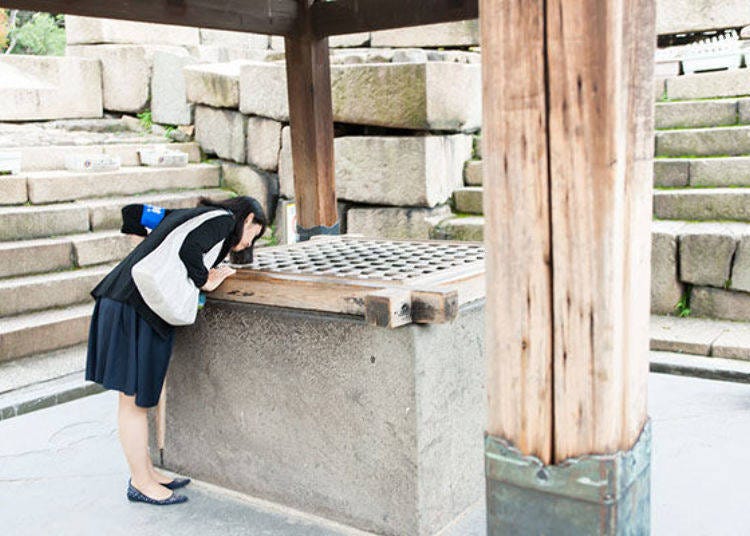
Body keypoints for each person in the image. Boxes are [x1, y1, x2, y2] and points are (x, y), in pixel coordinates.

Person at [85, 196, 267, 505]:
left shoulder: (190, 215)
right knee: (132, 403)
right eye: (255, 233)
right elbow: (188, 250)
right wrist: (204, 279)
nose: (250, 242)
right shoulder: (222, 220)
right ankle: (140, 483)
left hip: (130, 302)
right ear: (248, 219)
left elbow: (134, 214)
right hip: (132, 306)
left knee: (138, 401)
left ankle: (145, 473)